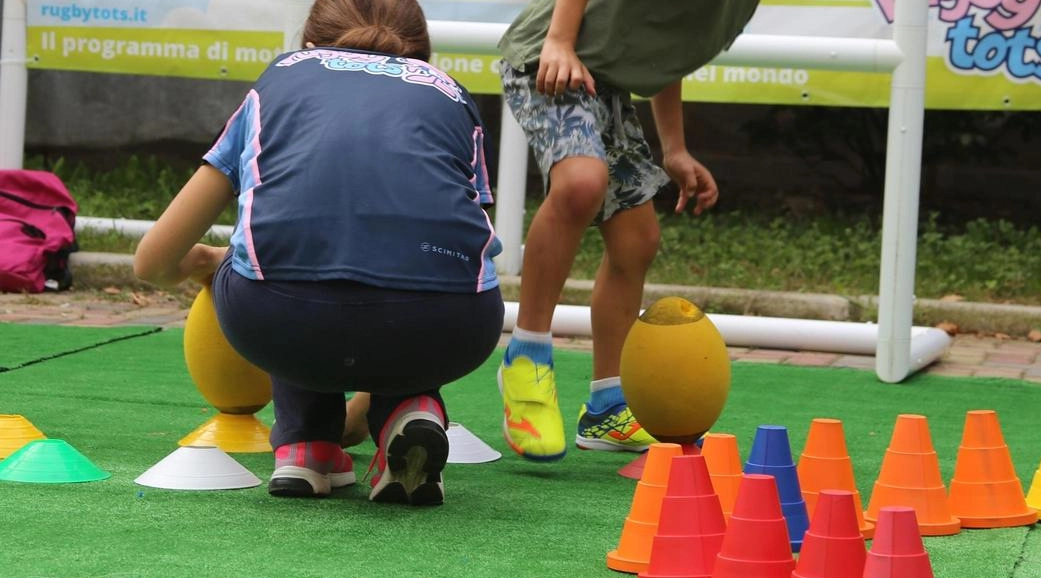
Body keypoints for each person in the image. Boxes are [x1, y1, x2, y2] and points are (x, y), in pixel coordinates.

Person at [133, 0, 504, 505]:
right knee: (412, 286)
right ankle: (410, 406)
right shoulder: (451, 95)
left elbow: (151, 262)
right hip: (449, 329)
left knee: (279, 270)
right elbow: (461, 246)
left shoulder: (278, 80)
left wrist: (206, 263)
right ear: (421, 52)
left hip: (278, 324)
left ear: (308, 43)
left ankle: (306, 446)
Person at [495, 0, 759, 461]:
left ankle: (607, 405)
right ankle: (527, 355)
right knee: (581, 183)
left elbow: (663, 45)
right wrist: (559, 40)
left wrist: (675, 148)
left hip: (607, 87)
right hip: (549, 57)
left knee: (637, 239)